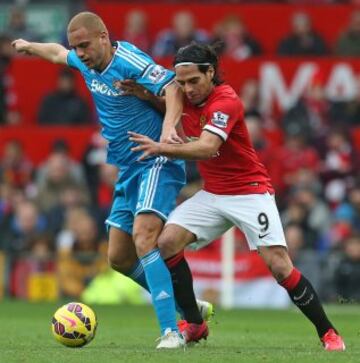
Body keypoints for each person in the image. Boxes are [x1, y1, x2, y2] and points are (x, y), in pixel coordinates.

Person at [129, 42, 346, 351]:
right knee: (164, 245)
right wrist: (147, 97)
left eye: (194, 81)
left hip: (249, 193)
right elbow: (175, 109)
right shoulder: (185, 97)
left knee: (280, 266)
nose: (188, 89)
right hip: (214, 193)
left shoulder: (226, 101)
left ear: (211, 73)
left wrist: (161, 146)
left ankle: (329, 333)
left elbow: (206, 147)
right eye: (183, 82)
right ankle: (194, 322)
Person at [12, 11, 208, 349]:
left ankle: (172, 332)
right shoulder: (85, 61)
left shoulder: (129, 59)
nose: (81, 52)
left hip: (156, 160)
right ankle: (186, 305)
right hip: (127, 168)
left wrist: (166, 130)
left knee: (145, 238)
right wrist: (30, 45)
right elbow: (59, 54)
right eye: (77, 46)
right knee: (119, 257)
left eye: (85, 45)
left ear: (104, 35)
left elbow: (173, 86)